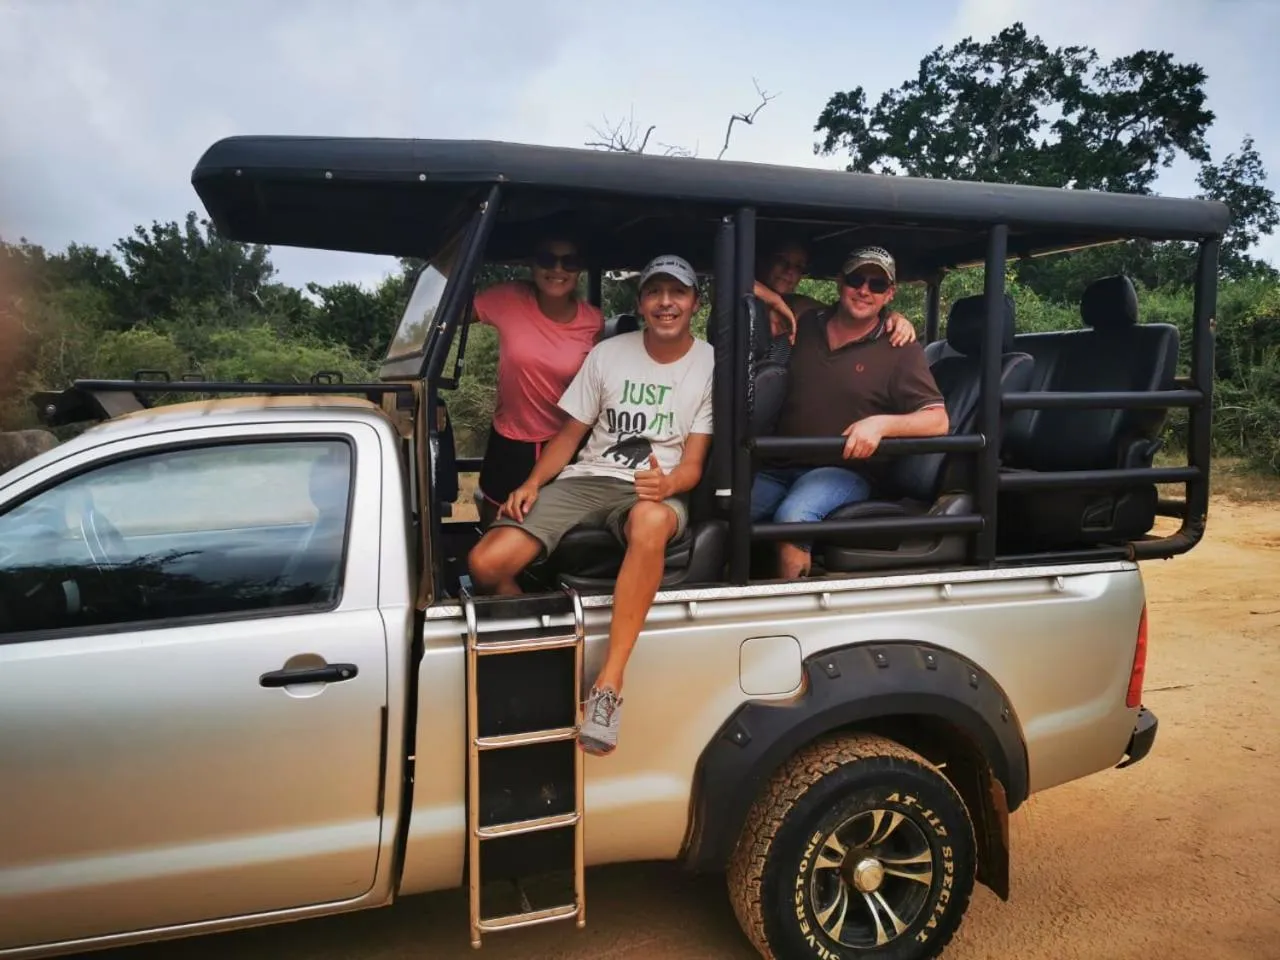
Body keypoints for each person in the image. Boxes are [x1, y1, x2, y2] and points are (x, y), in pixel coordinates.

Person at [467, 254, 714, 756]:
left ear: (694, 302)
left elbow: (693, 465)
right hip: (589, 479)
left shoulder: (710, 362)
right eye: (654, 293)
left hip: (653, 489)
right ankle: (549, 657)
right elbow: (572, 432)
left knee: (648, 524)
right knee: (485, 563)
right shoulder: (608, 353)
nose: (666, 303)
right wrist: (534, 481)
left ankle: (608, 685)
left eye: (678, 293)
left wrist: (667, 488)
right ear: (641, 302)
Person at [750, 246, 950, 578]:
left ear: (890, 294)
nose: (864, 291)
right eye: (857, 279)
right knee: (722, 506)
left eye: (877, 285)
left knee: (793, 518)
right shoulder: (804, 316)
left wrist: (880, 425)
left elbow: (937, 420)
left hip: (842, 471)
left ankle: (792, 616)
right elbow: (738, 283)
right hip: (777, 464)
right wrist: (771, 301)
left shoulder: (899, 348)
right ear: (840, 283)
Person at [470, 235, 604, 526]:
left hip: (563, 441)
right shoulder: (507, 299)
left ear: (578, 269)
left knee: (550, 532)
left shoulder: (593, 321)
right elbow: (444, 314)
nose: (558, 269)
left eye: (569, 261)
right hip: (509, 437)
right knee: (495, 526)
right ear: (532, 264)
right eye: (547, 259)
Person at [751, 236, 919, 349]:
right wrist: (772, 299)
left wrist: (892, 317)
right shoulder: (734, 293)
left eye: (798, 267)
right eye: (782, 260)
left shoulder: (797, 305)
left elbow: (845, 312)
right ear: (763, 261)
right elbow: (728, 278)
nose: (789, 271)